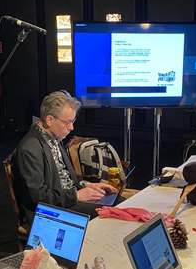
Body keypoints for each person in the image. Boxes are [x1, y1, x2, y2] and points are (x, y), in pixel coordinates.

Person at [12, 90, 117, 224]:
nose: (71, 127)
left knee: (119, 201)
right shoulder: (29, 149)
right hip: (50, 211)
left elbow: (67, 178)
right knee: (112, 212)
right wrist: (76, 196)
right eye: (67, 122)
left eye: (73, 121)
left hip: (67, 200)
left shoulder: (55, 138)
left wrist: (88, 185)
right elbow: (38, 196)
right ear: (50, 120)